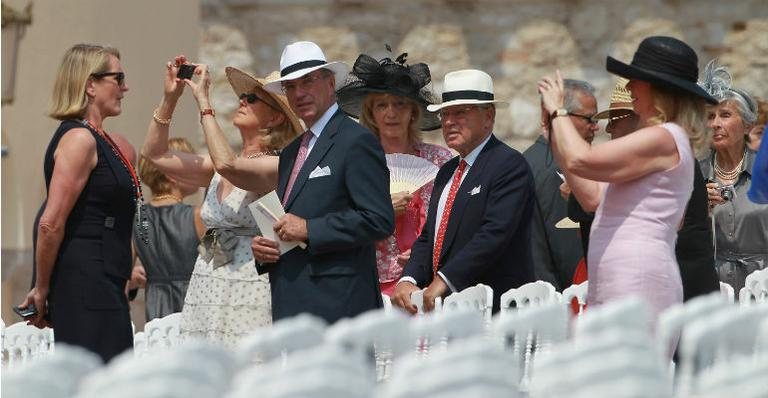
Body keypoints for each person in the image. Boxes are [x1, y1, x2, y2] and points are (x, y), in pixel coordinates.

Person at [538, 36, 717, 327]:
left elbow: (581, 160)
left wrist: (560, 112)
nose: (630, 87)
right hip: (619, 276)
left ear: (657, 88)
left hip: (638, 276)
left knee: (632, 368)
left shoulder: (664, 136)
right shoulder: (661, 138)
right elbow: (591, 196)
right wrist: (554, 130)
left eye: (636, 81)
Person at [141, 55, 302, 345]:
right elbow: (155, 155)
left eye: (252, 99)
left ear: (276, 117)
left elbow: (229, 167)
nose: (242, 101)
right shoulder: (222, 165)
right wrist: (171, 98)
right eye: (242, 96)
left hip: (248, 287)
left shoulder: (275, 165)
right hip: (207, 279)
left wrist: (204, 102)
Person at [251, 41, 394, 323]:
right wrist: (267, 247)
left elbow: (379, 219)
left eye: (307, 81)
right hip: (293, 300)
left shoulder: (355, 141)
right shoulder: (292, 152)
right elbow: (288, 221)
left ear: (330, 84)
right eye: (290, 87)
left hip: (340, 305)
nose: (299, 93)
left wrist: (309, 228)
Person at [19, 43, 136, 362]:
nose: (126, 88)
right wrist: (41, 288)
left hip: (104, 281)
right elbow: (51, 221)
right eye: (119, 77)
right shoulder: (79, 140)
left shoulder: (102, 140)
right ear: (90, 84)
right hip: (86, 283)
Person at [391, 69, 536, 314]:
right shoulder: (447, 171)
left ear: (488, 116)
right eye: (445, 113)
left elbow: (493, 234)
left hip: (494, 309)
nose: (448, 121)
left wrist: (445, 280)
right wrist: (409, 279)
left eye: (460, 113)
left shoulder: (509, 165)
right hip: (449, 311)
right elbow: (429, 236)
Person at [566, 78, 719, 301]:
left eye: (615, 119)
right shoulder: (647, 156)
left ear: (638, 117)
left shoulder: (660, 150)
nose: (608, 128)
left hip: (681, 294)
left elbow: (585, 202)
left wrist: (558, 120)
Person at [336, 51, 452, 296]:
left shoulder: (440, 160)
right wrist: (381, 211)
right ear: (371, 114)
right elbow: (339, 222)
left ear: (412, 112)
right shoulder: (356, 162)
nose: (391, 113)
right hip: (372, 282)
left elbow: (454, 220)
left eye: (400, 104)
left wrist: (427, 250)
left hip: (428, 280)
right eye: (382, 105)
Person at [698, 60, 768, 294]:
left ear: (747, 126)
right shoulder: (694, 175)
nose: (715, 124)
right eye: (709, 117)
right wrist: (697, 208)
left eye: (725, 115)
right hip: (713, 290)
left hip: (761, 290)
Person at [524, 79, 597, 291]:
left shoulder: (530, 160)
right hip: (559, 298)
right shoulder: (555, 169)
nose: (596, 127)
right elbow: (569, 252)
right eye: (589, 119)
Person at [131, 137, 205, 322]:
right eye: (191, 165)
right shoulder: (198, 216)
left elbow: (124, 272)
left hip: (156, 307)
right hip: (195, 304)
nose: (198, 170)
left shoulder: (136, 218)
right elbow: (221, 260)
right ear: (172, 174)